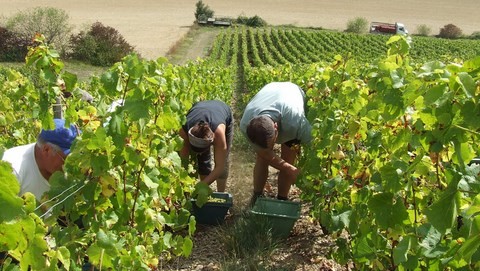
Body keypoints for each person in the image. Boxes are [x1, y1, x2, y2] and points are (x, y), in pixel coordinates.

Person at [240, 82, 312, 204]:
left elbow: (317, 145)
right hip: (270, 90)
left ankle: (282, 199)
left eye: (271, 144)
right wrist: (291, 170)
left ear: (276, 127)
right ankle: (257, 196)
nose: (270, 149)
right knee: (262, 158)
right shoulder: (246, 124)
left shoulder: (296, 121)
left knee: (289, 156)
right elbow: (265, 154)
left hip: (292, 91)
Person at [1, 118, 79, 202]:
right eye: (67, 158)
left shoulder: (75, 173)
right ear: (46, 150)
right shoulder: (13, 168)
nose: (72, 164)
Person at [179, 100, 234, 192]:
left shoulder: (219, 133)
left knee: (224, 160)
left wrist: (200, 185)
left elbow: (220, 166)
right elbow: (183, 160)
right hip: (200, 107)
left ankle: (221, 193)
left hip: (222, 110)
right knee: (203, 160)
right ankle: (204, 192)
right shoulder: (184, 131)